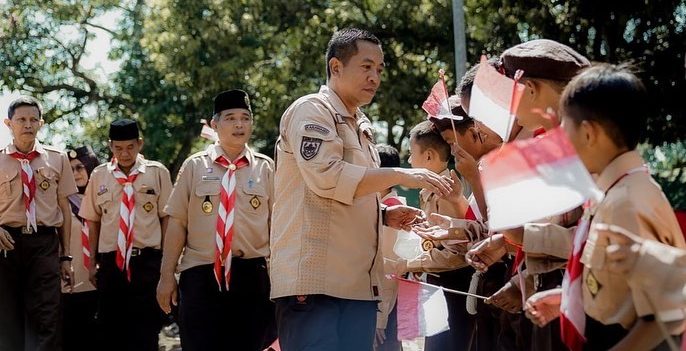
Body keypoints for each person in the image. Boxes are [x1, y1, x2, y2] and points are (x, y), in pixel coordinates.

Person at [270, 27, 452, 351]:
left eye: (379, 69)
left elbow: (349, 191)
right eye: (366, 66)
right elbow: (328, 177)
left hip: (358, 290)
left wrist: (384, 214)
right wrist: (403, 174)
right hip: (315, 288)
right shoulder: (312, 110)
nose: (375, 77)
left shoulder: (361, 124)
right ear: (336, 67)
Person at [524, 64, 686, 350]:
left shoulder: (626, 203)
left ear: (588, 134)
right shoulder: (611, 194)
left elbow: (665, 320)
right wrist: (568, 298)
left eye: (565, 130)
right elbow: (619, 289)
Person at [157, 89, 277, 351]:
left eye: (245, 118)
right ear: (214, 124)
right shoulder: (194, 166)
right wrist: (166, 276)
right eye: (231, 118)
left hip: (250, 276)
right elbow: (177, 223)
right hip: (200, 275)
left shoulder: (266, 168)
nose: (239, 124)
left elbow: (276, 227)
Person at [80, 119, 172, 351]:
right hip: (111, 263)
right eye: (118, 148)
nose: (125, 153)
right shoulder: (100, 176)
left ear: (140, 144)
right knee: (110, 331)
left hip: (147, 262)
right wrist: (91, 263)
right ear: (110, 146)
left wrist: (167, 265)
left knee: (146, 331)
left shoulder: (157, 172)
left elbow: (168, 220)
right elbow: (92, 221)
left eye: (130, 147)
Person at [0, 96, 77, 351]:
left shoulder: (57, 159)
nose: (28, 125)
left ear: (41, 123)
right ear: (8, 123)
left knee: (47, 315)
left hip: (44, 242)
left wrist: (66, 256)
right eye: (21, 119)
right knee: (8, 318)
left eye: (34, 120)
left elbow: (63, 208)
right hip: (7, 243)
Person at [408, 120, 475, 351]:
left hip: (452, 287)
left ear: (428, 156)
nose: (408, 161)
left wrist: (410, 263)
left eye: (410, 154)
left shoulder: (446, 193)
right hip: (439, 285)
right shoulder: (430, 192)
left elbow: (456, 254)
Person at [61, 145, 100, 351]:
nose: (75, 174)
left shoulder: (104, 200)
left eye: (79, 167)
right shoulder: (60, 204)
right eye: (70, 169)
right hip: (69, 290)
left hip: (100, 286)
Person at [374, 144, 403, 351]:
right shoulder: (388, 206)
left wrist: (379, 319)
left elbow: (388, 271)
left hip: (386, 306)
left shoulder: (391, 212)